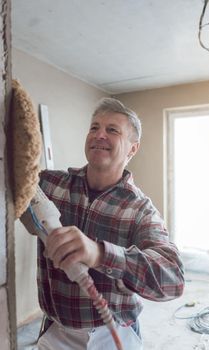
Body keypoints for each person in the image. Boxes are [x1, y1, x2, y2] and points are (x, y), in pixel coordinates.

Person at [22, 97, 184, 350]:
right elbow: (15, 179)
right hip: (55, 331)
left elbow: (172, 279)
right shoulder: (49, 185)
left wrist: (99, 254)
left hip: (113, 335)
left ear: (133, 148)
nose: (99, 135)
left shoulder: (140, 209)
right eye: (94, 127)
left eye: (112, 130)